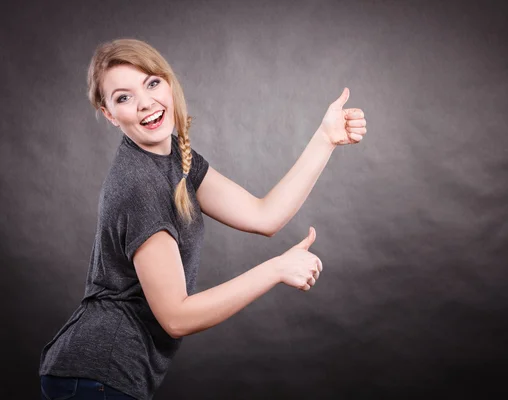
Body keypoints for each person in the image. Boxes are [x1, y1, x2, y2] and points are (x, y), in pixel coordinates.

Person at [39, 38, 367, 400]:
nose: (145, 102)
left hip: (99, 376)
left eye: (151, 83)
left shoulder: (177, 160)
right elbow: (176, 317)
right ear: (109, 114)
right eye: (123, 97)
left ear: (168, 82)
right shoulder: (140, 185)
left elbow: (264, 216)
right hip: (96, 376)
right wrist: (276, 270)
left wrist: (325, 139)